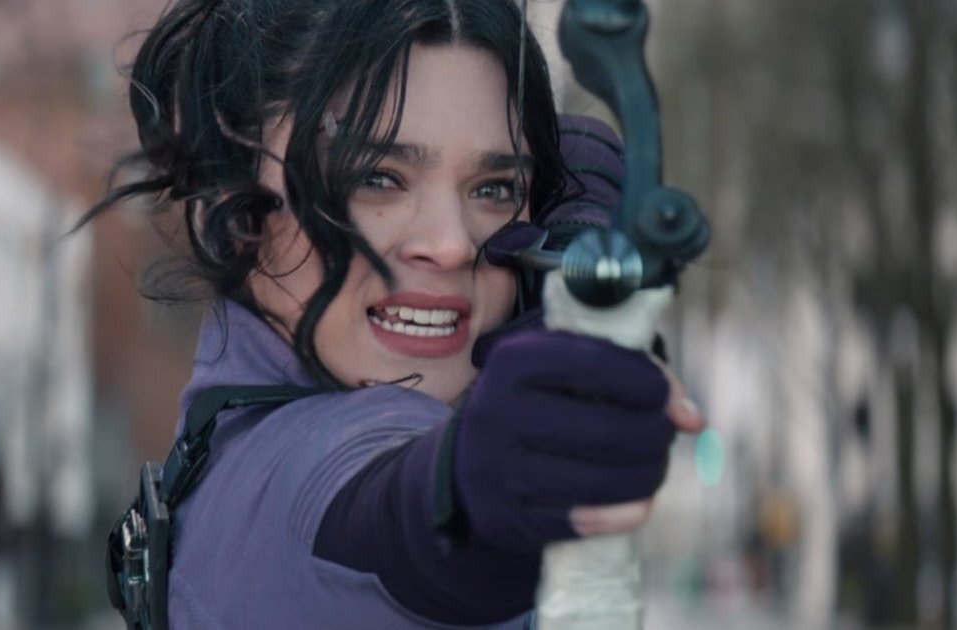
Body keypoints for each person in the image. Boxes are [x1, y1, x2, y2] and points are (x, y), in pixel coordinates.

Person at [93, 0, 705, 627]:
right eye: (376, 178)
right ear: (229, 195)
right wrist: (501, 462)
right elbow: (406, 515)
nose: (452, 244)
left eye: (494, 188)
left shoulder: (231, 438)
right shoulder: (307, 478)